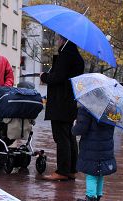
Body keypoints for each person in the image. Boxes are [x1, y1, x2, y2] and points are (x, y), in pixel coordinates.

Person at [39, 35, 84, 181]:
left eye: (59, 39)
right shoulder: (76, 56)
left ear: (63, 40)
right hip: (69, 101)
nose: (57, 41)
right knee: (69, 135)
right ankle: (71, 169)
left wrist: (44, 76)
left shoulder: (66, 55)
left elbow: (58, 77)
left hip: (61, 102)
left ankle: (63, 171)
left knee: (61, 137)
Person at [72, 105, 117, 201]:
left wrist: (74, 127)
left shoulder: (87, 107)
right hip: (106, 146)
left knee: (91, 175)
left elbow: (81, 129)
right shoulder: (111, 107)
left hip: (92, 147)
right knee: (99, 173)